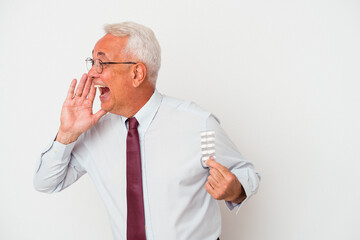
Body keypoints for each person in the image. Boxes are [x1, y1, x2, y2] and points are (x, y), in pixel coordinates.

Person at [33, 21, 260, 240]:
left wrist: (235, 190)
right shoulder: (93, 132)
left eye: (101, 63)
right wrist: (66, 134)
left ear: (137, 74)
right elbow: (46, 183)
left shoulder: (198, 125)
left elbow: (246, 173)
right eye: (92, 62)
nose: (92, 73)